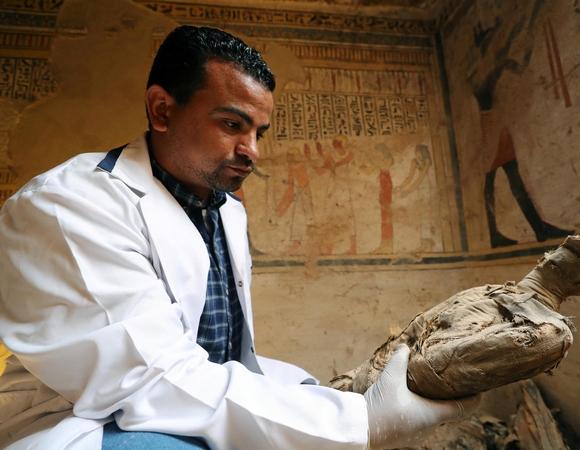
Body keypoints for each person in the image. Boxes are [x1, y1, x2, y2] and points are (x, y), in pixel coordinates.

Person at [0, 26, 480, 449]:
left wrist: (320, 394)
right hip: (91, 424)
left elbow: (228, 360)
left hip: (183, 403)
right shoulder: (68, 205)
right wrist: (362, 421)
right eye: (232, 125)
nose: (252, 151)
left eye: (259, 132)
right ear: (162, 110)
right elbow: (149, 379)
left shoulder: (226, 210)